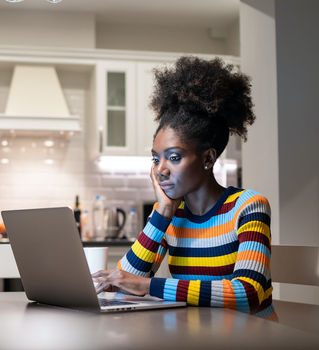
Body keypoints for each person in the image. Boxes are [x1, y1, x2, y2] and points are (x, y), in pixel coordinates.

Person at [92, 56, 277, 321]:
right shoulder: (172, 215)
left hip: (253, 338)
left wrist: (150, 287)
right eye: (156, 158)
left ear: (208, 159)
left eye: (174, 157)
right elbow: (125, 285)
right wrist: (163, 212)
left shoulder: (249, 206)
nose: (160, 169)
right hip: (197, 335)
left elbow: (246, 294)